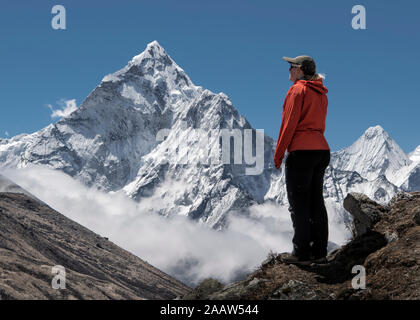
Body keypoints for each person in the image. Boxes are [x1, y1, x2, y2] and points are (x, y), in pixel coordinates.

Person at [273, 55, 331, 265]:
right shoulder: (321, 93)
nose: (288, 70)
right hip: (321, 150)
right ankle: (320, 252)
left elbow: (288, 125)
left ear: (300, 70)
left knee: (299, 204)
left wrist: (279, 154)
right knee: (316, 202)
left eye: (292, 66)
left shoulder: (297, 90)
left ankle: (302, 254)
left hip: (302, 151)